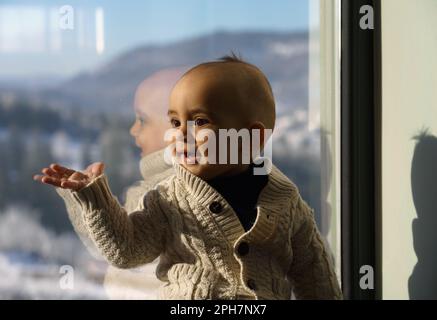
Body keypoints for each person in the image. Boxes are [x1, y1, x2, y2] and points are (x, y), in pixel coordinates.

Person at [34, 54, 342, 299]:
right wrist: (94, 198)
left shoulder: (285, 201)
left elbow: (314, 273)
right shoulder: (168, 198)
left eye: (200, 121)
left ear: (251, 138)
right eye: (174, 121)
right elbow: (127, 250)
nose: (182, 133)